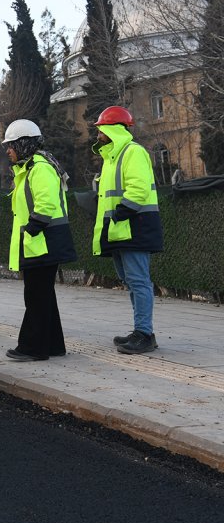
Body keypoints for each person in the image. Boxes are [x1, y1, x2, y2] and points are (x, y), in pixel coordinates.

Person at [92, 106, 164, 355]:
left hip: (134, 227)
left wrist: (122, 211)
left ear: (110, 129)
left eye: (100, 129)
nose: (98, 134)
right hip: (121, 228)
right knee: (131, 281)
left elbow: (139, 188)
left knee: (138, 282)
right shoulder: (112, 157)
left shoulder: (132, 152)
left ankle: (144, 334)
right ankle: (141, 331)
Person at [3, 119, 77, 361]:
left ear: (24, 144)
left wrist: (32, 229)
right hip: (39, 243)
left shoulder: (40, 167)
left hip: (42, 242)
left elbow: (45, 204)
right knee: (43, 296)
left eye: (11, 145)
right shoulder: (30, 168)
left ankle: (32, 347)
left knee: (36, 296)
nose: (8, 150)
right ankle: (53, 345)